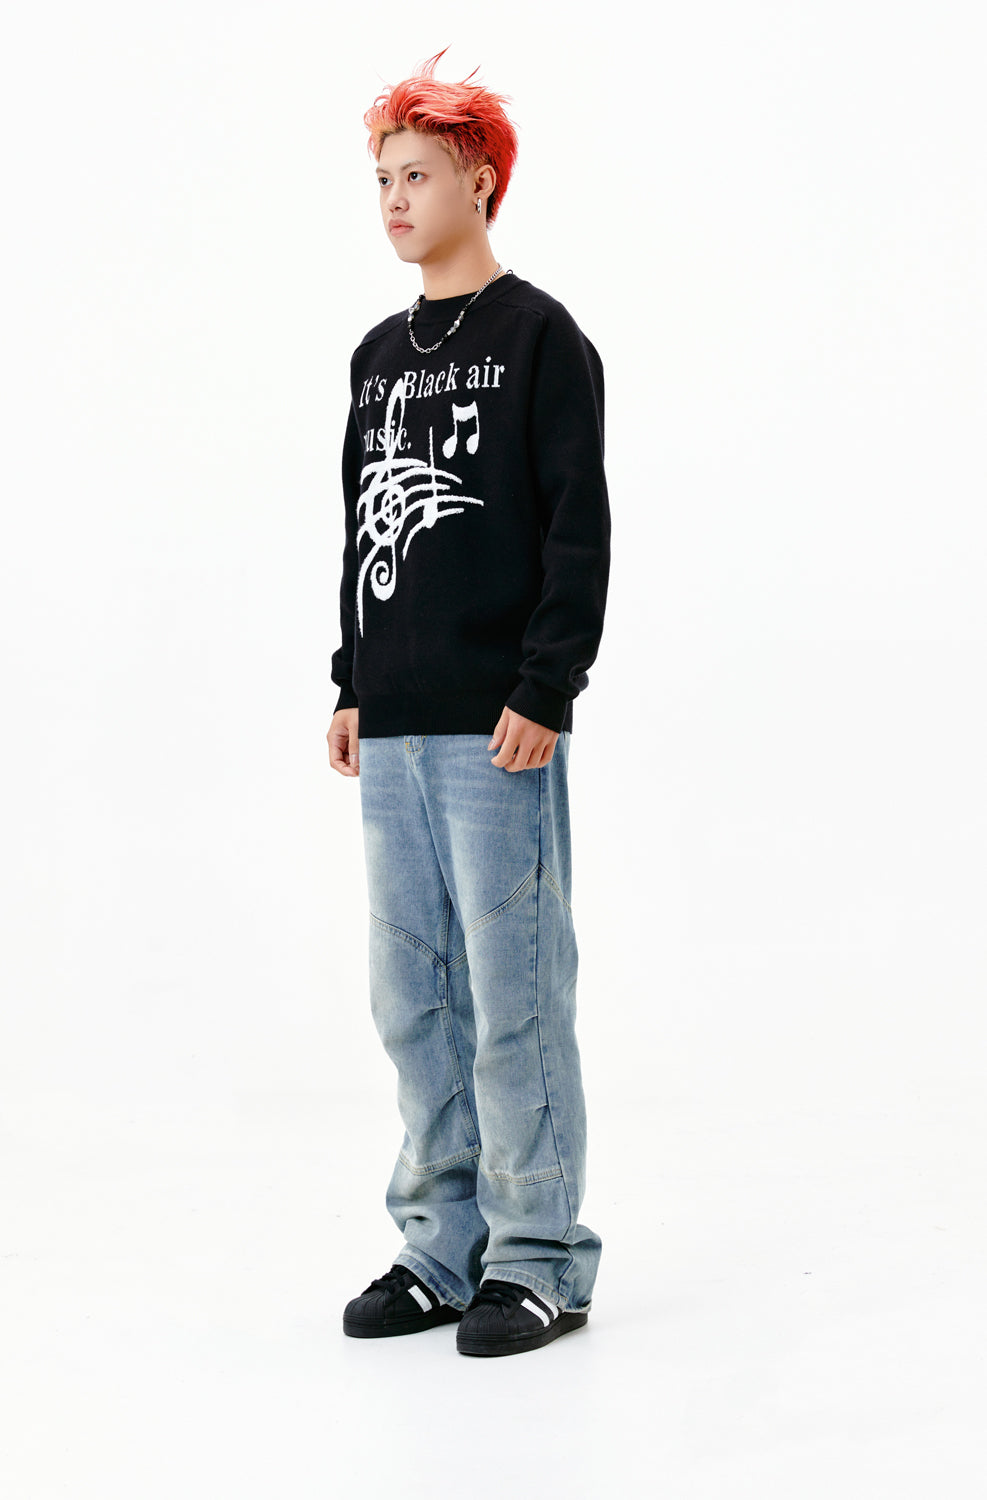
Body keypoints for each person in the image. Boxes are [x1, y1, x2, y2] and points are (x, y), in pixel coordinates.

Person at [326, 50, 611, 1358]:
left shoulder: (540, 337)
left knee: (514, 991)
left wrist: (548, 683)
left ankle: (540, 1256)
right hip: (392, 723)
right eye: (382, 179)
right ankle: (443, 1246)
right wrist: (349, 678)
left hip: (500, 726)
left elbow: (575, 527)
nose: (394, 199)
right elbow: (360, 524)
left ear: (481, 182)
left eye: (417, 175)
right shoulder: (378, 356)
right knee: (413, 996)